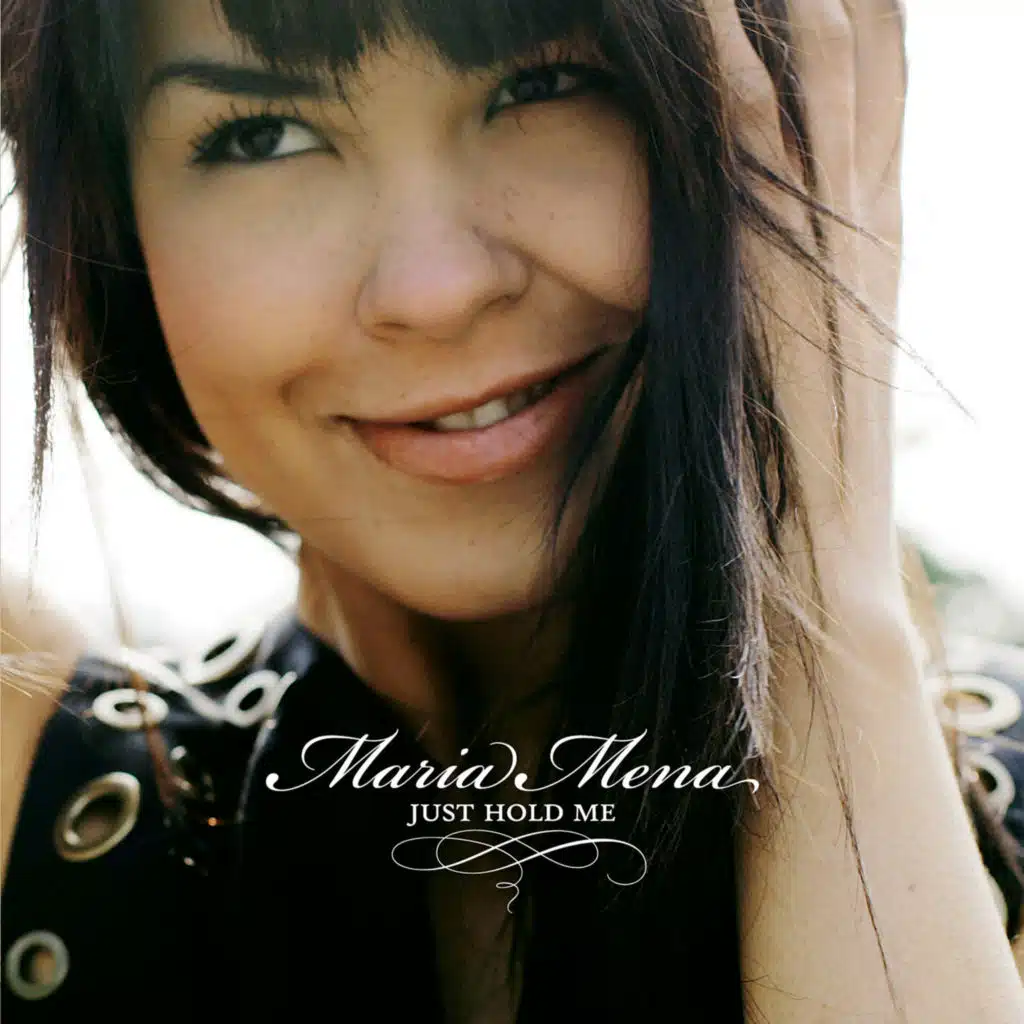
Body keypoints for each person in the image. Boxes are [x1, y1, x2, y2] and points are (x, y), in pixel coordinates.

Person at [1, 0, 1022, 1021]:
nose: (437, 289)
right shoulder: (24, 778)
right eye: (261, 136)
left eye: (543, 85)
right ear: (107, 215)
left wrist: (822, 596)